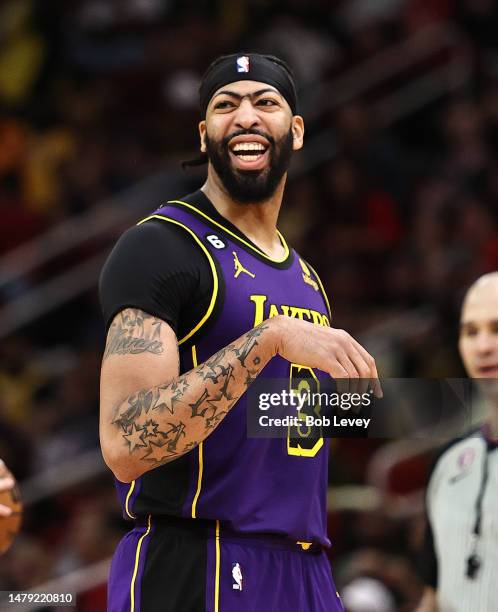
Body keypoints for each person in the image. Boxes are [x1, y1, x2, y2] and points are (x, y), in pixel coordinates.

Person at [99, 52, 381, 612]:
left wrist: (365, 407)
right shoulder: (162, 245)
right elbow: (126, 445)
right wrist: (266, 341)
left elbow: (264, 425)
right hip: (200, 557)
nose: (246, 116)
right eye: (226, 105)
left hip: (306, 568)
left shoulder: (305, 277)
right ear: (205, 135)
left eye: (266, 102)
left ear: (295, 132)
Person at [417, 272, 498, 611]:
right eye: (470, 332)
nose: (483, 346)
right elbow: (433, 598)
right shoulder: (448, 462)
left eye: (497, 329)